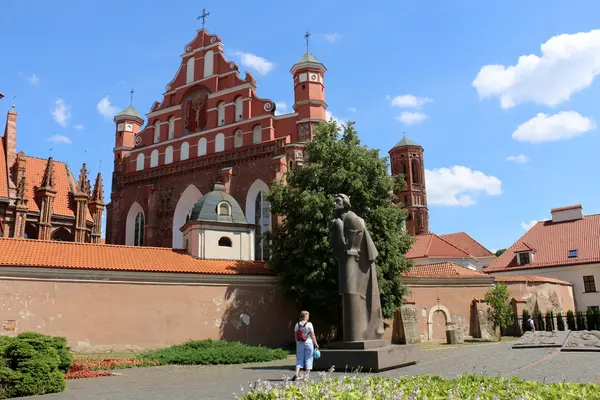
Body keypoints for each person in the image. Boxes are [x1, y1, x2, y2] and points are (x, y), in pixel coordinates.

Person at [292, 310, 319, 381]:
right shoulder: (309, 324)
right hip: (309, 343)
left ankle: (296, 374)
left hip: (300, 343)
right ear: (306, 316)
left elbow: (295, 336)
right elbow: (312, 335)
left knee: (299, 359)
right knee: (309, 359)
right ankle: (306, 376)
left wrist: (297, 342)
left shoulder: (297, 325)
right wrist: (316, 343)